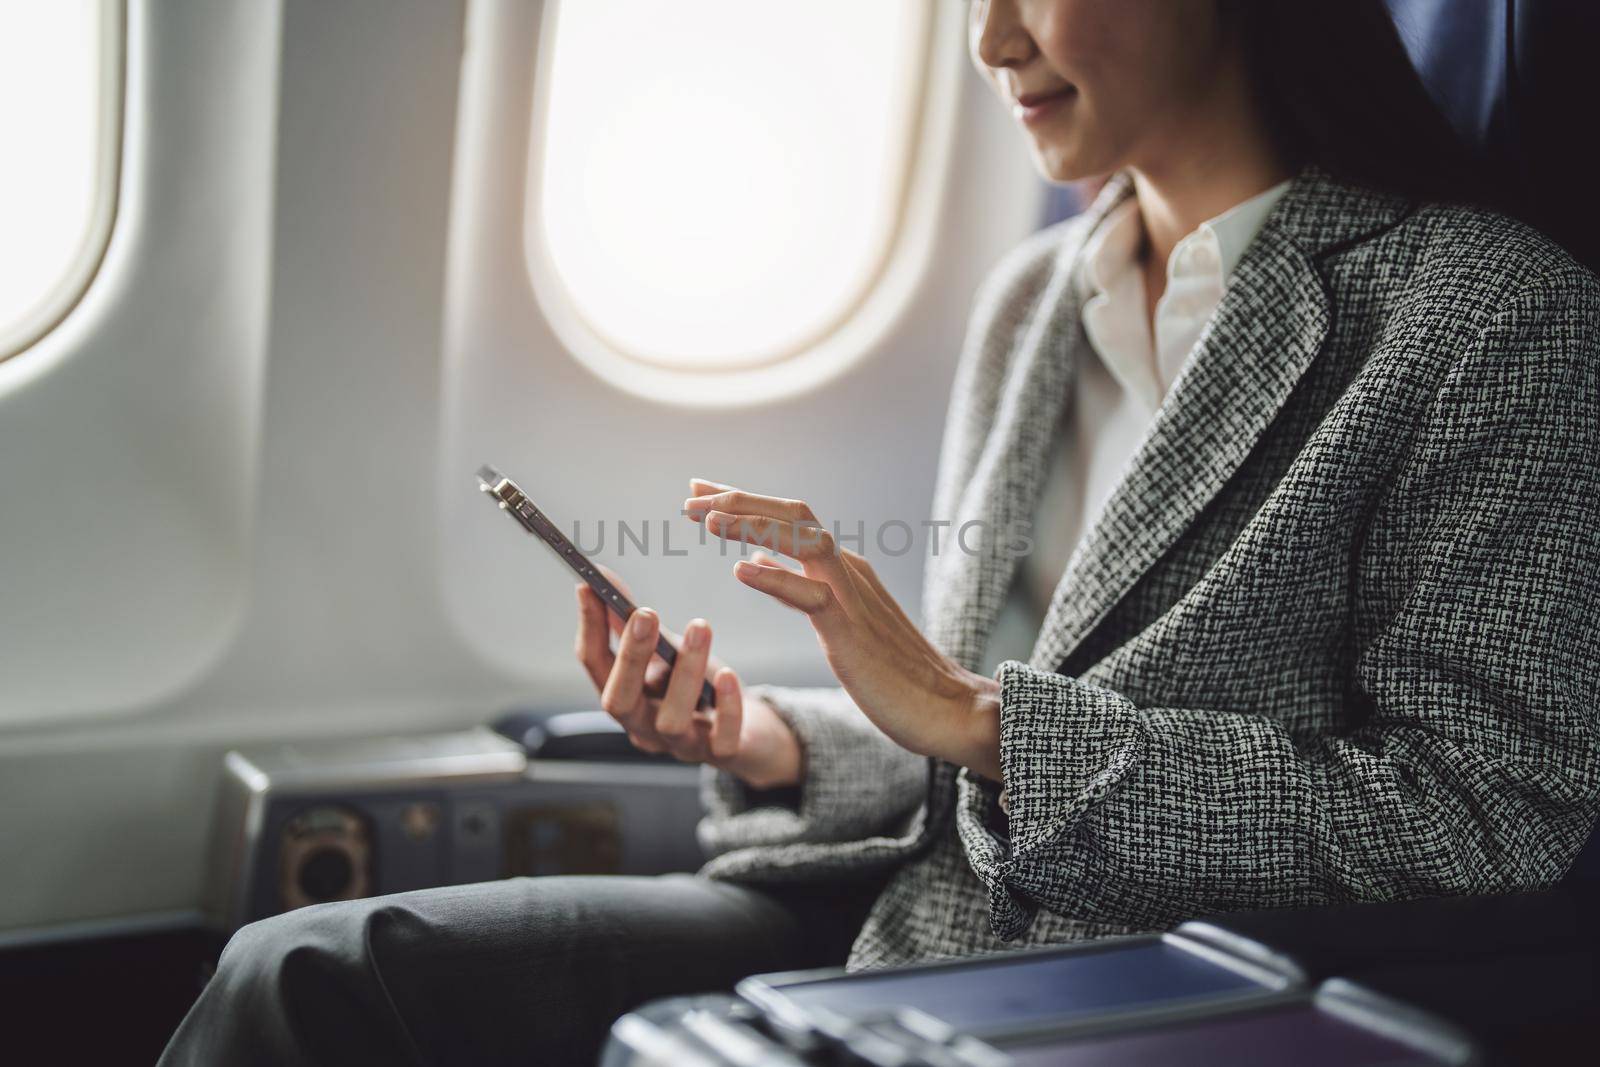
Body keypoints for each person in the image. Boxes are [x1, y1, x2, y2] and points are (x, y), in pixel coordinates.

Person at [160, 1, 1600, 1063]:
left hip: (1151, 984)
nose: (988, 40)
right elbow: (965, 728)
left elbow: (1483, 823)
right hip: (918, 911)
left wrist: (982, 720)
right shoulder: (1034, 303)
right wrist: (767, 739)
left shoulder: (1483, 315)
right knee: (311, 977)